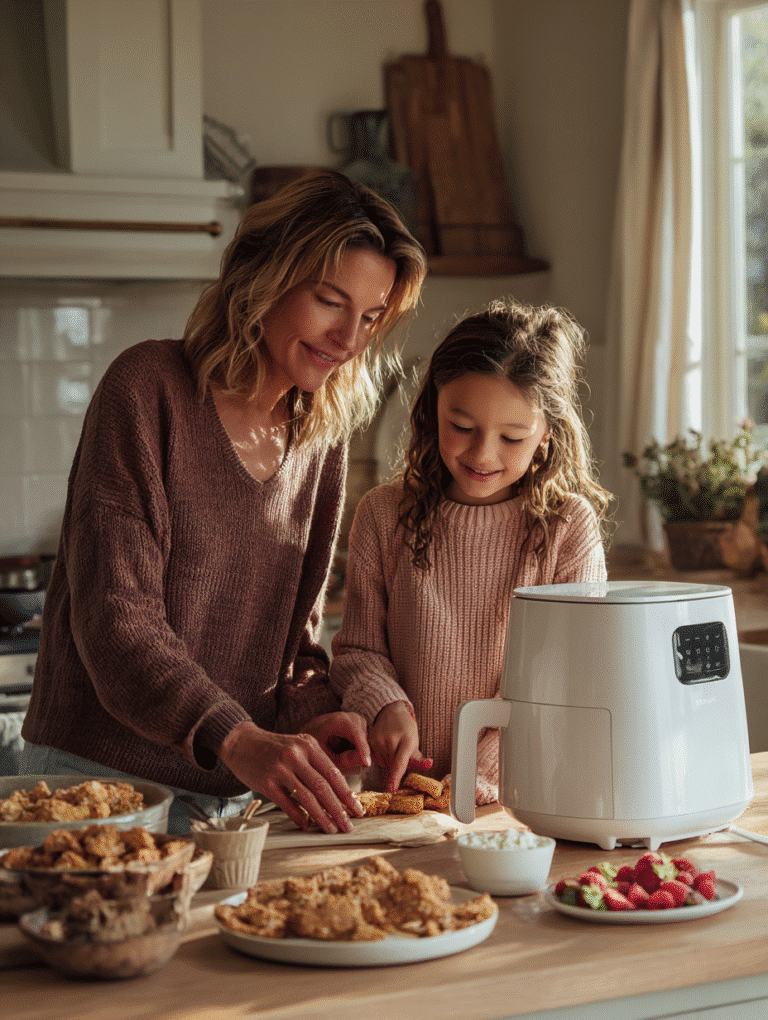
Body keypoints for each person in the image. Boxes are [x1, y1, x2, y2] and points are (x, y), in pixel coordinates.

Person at [20, 170, 427, 834]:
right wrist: (236, 738)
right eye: (330, 301)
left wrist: (317, 718)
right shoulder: (147, 390)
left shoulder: (320, 436)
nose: (350, 338)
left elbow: (292, 645)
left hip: (233, 803)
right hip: (97, 790)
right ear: (264, 278)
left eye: (370, 317)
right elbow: (118, 623)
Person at [330, 298, 613, 803]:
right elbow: (359, 651)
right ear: (432, 409)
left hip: (521, 797)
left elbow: (569, 674)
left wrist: (483, 772)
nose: (482, 454)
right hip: (401, 796)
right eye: (461, 427)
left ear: (547, 434)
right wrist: (386, 705)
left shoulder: (568, 528)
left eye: (512, 437)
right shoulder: (382, 514)